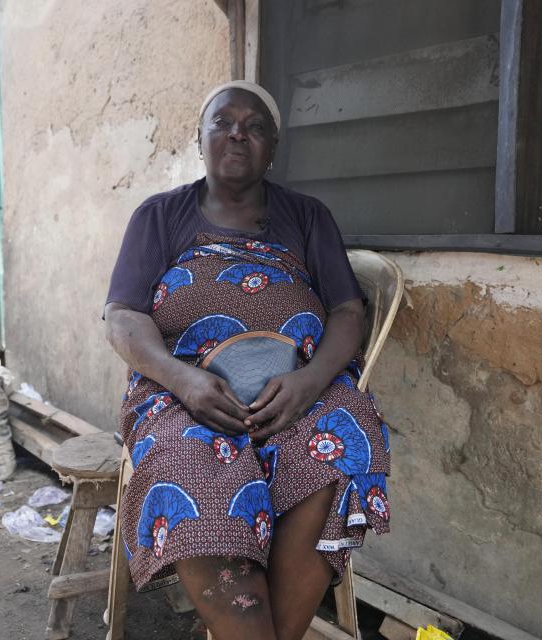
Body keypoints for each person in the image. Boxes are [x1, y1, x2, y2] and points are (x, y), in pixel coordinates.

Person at [104, 81, 390, 640]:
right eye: (224, 121)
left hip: (296, 394)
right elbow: (122, 318)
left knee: (348, 430)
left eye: (256, 126)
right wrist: (184, 381)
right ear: (201, 138)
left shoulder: (307, 217)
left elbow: (347, 314)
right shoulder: (160, 217)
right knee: (191, 465)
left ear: (274, 148)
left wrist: (308, 383)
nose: (239, 132)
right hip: (184, 398)